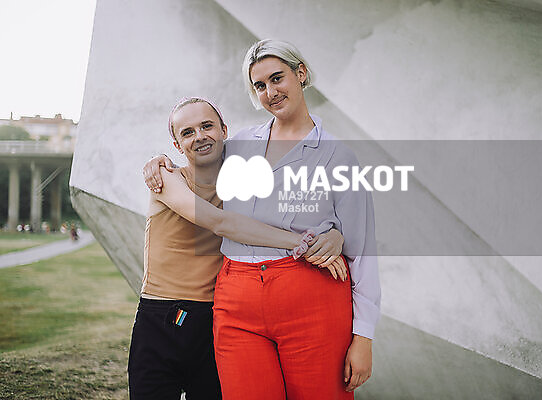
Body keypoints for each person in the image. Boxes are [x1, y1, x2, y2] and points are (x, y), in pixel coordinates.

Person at [146, 40, 381, 399]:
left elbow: (363, 251)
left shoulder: (339, 156)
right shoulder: (239, 145)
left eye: (277, 78)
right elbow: (198, 159)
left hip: (312, 296)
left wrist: (363, 336)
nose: (270, 92)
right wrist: (158, 161)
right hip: (236, 299)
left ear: (301, 73)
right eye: (259, 85)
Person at [132, 97, 347, 400]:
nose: (199, 136)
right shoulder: (167, 179)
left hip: (215, 317)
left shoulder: (243, 182)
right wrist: (301, 244)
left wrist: (334, 235)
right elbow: (220, 223)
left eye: (207, 126)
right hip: (164, 316)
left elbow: (303, 209)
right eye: (188, 132)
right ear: (177, 145)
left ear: (224, 130)